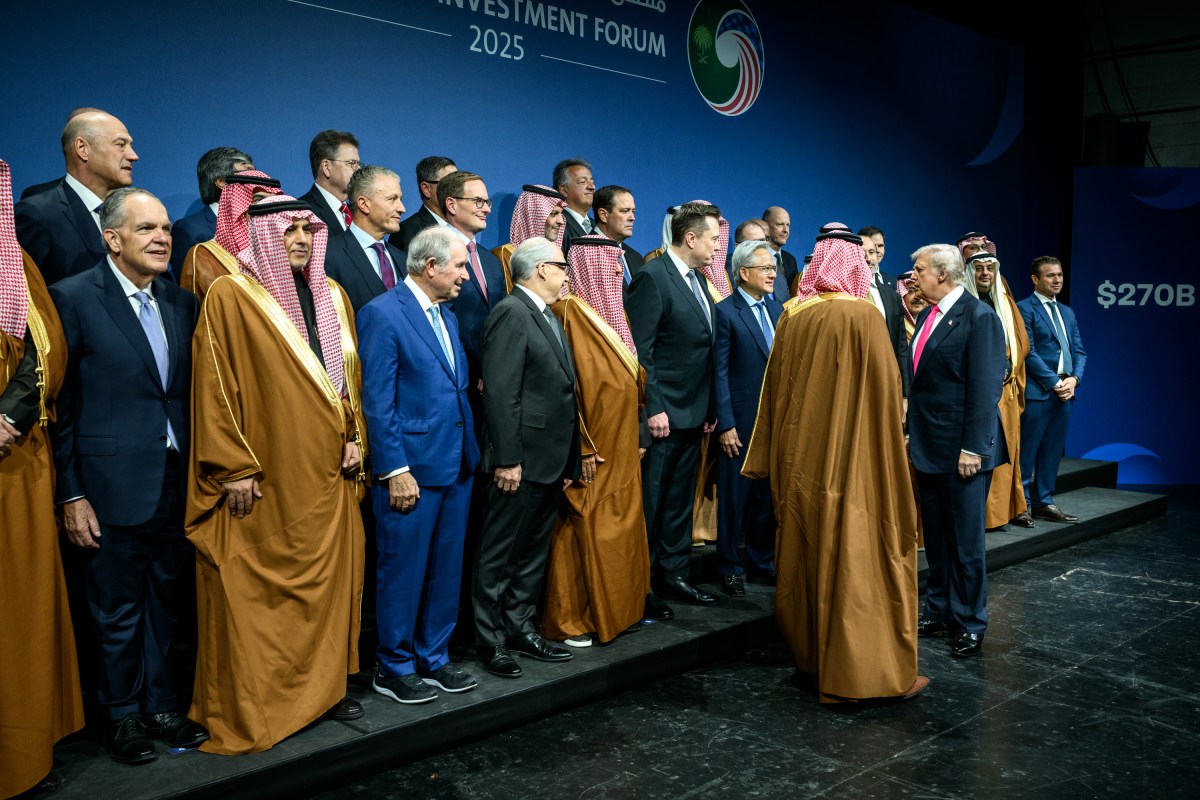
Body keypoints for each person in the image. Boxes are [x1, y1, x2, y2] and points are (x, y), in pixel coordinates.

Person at [186, 194, 367, 754]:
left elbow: (347, 379)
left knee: (330, 592)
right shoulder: (230, 295)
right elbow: (214, 386)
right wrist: (233, 466)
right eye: (287, 231)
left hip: (328, 477)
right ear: (258, 235)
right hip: (265, 482)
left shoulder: (333, 294)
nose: (301, 240)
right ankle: (266, 704)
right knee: (256, 599)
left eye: (308, 232)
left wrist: (355, 437)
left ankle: (321, 693)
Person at [49, 187, 206, 763]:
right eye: (146, 229)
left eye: (165, 228)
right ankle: (120, 717)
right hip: (106, 486)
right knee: (114, 608)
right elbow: (60, 408)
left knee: (165, 599)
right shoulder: (72, 297)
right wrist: (72, 493)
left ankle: (162, 704)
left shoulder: (180, 303)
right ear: (111, 239)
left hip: (172, 479)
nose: (163, 238)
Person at [742, 225, 926, 703]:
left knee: (807, 550)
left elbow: (774, 397)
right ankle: (861, 672)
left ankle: (813, 660)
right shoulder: (863, 317)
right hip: (854, 463)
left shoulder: (792, 315)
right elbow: (886, 402)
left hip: (800, 462)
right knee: (857, 553)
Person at [357, 226, 480, 703]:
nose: (466, 277)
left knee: (445, 570)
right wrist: (395, 469)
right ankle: (394, 665)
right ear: (431, 267)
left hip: (455, 465)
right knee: (403, 571)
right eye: (460, 266)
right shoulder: (383, 314)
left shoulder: (445, 316)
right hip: (410, 471)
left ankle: (434, 657)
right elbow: (378, 402)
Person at [0, 157, 86, 798]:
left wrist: (7, 416)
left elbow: (42, 346)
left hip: (11, 463)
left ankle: (19, 753)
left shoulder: (15, 266)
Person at [473, 237, 581, 678]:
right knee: (499, 554)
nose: (567, 273)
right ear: (539, 269)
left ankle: (519, 627)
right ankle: (490, 640)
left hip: (549, 459)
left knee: (532, 552)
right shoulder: (511, 312)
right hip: (519, 460)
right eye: (561, 265)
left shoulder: (544, 315)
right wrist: (507, 459)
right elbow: (501, 392)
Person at [540, 234, 650, 647]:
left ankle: (619, 609)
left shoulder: (608, 314)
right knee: (579, 530)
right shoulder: (566, 313)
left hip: (620, 443)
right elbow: (565, 390)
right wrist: (581, 445)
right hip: (592, 449)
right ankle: (573, 620)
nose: (614, 273)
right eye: (606, 265)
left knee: (618, 528)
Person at [907, 244, 1007, 659]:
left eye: (919, 269)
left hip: (962, 452)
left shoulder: (979, 317)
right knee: (939, 540)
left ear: (943, 274)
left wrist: (973, 449)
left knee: (965, 543)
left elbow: (985, 391)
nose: (912, 275)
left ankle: (970, 621)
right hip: (929, 448)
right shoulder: (929, 314)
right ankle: (940, 608)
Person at [626, 201, 722, 619]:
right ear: (690, 238)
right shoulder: (653, 277)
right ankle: (642, 585)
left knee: (680, 500)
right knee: (653, 501)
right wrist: (655, 408)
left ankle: (674, 574)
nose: (718, 246)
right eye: (714, 239)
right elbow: (642, 350)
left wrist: (710, 406)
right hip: (664, 416)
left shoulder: (700, 279)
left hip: (696, 411)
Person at [712, 240, 783, 596]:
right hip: (738, 424)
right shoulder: (725, 312)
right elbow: (719, 372)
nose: (773, 273)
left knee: (764, 500)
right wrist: (725, 423)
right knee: (734, 500)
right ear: (743, 273)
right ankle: (730, 566)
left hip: (772, 424)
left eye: (773, 268)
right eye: (766, 268)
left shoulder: (778, 310)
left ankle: (761, 561)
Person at [16, 110, 138, 285]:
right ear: (82, 149)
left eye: (130, 145)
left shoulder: (134, 213)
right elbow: (28, 296)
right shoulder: (38, 214)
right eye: (120, 144)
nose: (134, 156)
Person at [1018, 256, 1087, 524]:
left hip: (1065, 392)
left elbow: (1079, 351)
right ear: (1035, 279)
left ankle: (1044, 501)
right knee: (1028, 451)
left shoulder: (1067, 312)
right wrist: (1055, 382)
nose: (1057, 280)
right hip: (1039, 391)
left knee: (1053, 449)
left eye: (1059, 275)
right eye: (1050, 276)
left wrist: (1074, 380)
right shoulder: (1024, 308)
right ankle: (1021, 504)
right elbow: (1029, 351)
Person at [965, 251, 1031, 529]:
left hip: (1007, 391)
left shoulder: (1004, 304)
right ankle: (983, 517)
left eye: (989, 269)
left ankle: (1002, 513)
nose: (984, 274)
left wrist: (1007, 368)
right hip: (978, 394)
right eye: (978, 268)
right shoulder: (964, 305)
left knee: (1004, 455)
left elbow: (1020, 343)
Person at [438, 170, 506, 407]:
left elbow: (501, 322)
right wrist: (475, 371)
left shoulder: (491, 261)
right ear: (452, 204)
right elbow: (441, 322)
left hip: (496, 384)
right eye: (478, 201)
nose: (486, 209)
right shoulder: (435, 255)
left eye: (487, 202)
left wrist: (495, 371)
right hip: (457, 384)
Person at [179, 170, 282, 299]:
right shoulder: (205, 256)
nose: (269, 207)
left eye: (275, 200)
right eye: (258, 199)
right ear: (235, 206)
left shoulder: (285, 253)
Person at [324, 164, 407, 312]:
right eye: (392, 199)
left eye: (400, 199)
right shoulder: (329, 256)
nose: (402, 208)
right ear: (363, 204)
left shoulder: (405, 260)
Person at [169, 147, 255, 278]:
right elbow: (190, 285)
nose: (260, 180)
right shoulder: (188, 229)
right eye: (249, 173)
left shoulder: (258, 224)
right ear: (222, 182)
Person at [860, 227, 911, 398]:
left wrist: (904, 395)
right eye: (862, 253)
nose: (868, 258)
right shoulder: (845, 295)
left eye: (872, 252)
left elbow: (900, 348)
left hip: (887, 380)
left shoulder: (892, 296)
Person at [493, 184, 566, 291]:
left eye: (561, 214)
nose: (561, 221)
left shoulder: (557, 258)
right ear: (533, 216)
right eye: (553, 214)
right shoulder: (506, 255)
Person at [299, 130, 360, 235]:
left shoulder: (358, 214)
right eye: (352, 163)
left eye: (358, 163)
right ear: (326, 167)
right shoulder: (302, 213)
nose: (358, 169)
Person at [390, 155, 456, 251]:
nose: (457, 190)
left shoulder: (462, 227)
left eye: (458, 184)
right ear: (426, 189)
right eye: (449, 183)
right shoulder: (408, 232)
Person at [592, 184, 640, 290]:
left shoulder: (635, 257)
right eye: (625, 211)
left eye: (633, 211)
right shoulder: (585, 252)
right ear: (603, 215)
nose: (632, 218)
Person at [553, 157, 594, 254]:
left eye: (592, 182)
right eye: (583, 182)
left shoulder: (599, 227)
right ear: (564, 190)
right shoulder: (557, 225)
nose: (592, 187)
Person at [762, 206, 797, 301]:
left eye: (788, 225)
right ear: (766, 227)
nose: (785, 230)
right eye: (780, 224)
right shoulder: (756, 257)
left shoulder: (790, 260)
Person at [895, 271, 926, 342]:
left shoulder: (933, 322)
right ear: (901, 294)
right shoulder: (895, 324)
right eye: (911, 291)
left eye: (922, 291)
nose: (917, 296)